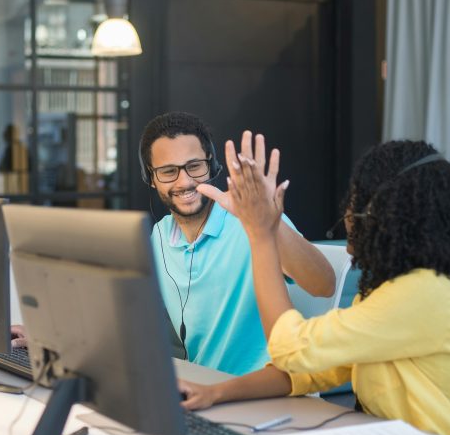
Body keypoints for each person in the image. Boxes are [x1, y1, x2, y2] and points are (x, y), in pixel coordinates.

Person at [180, 139, 450, 435]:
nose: (348, 213)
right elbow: (308, 370)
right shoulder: (389, 292)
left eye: (357, 200)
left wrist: (261, 234)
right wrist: (215, 393)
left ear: (394, 215)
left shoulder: (426, 291)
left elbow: (290, 349)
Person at [141, 112, 334, 376]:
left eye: (194, 166)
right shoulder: (159, 238)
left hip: (274, 391)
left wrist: (267, 223)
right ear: (151, 178)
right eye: (168, 172)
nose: (184, 181)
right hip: (209, 390)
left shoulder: (252, 218)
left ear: (212, 166)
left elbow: (324, 285)